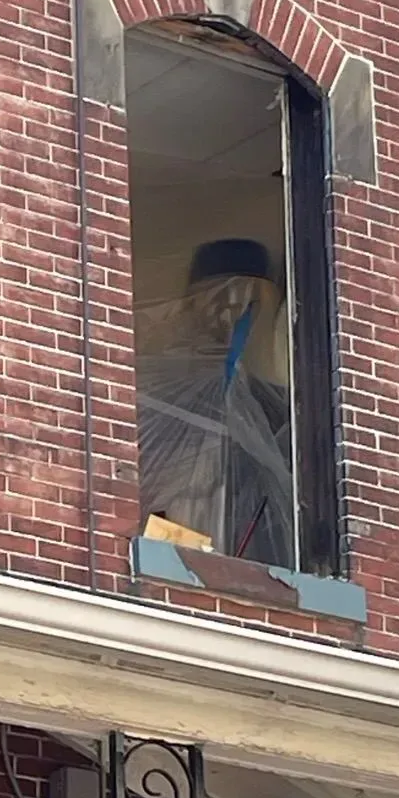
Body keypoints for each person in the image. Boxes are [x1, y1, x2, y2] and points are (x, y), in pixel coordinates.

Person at [135, 237, 296, 565]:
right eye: (217, 297)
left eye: (248, 299)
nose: (230, 311)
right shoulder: (160, 399)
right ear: (190, 307)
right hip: (179, 559)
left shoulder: (284, 412)